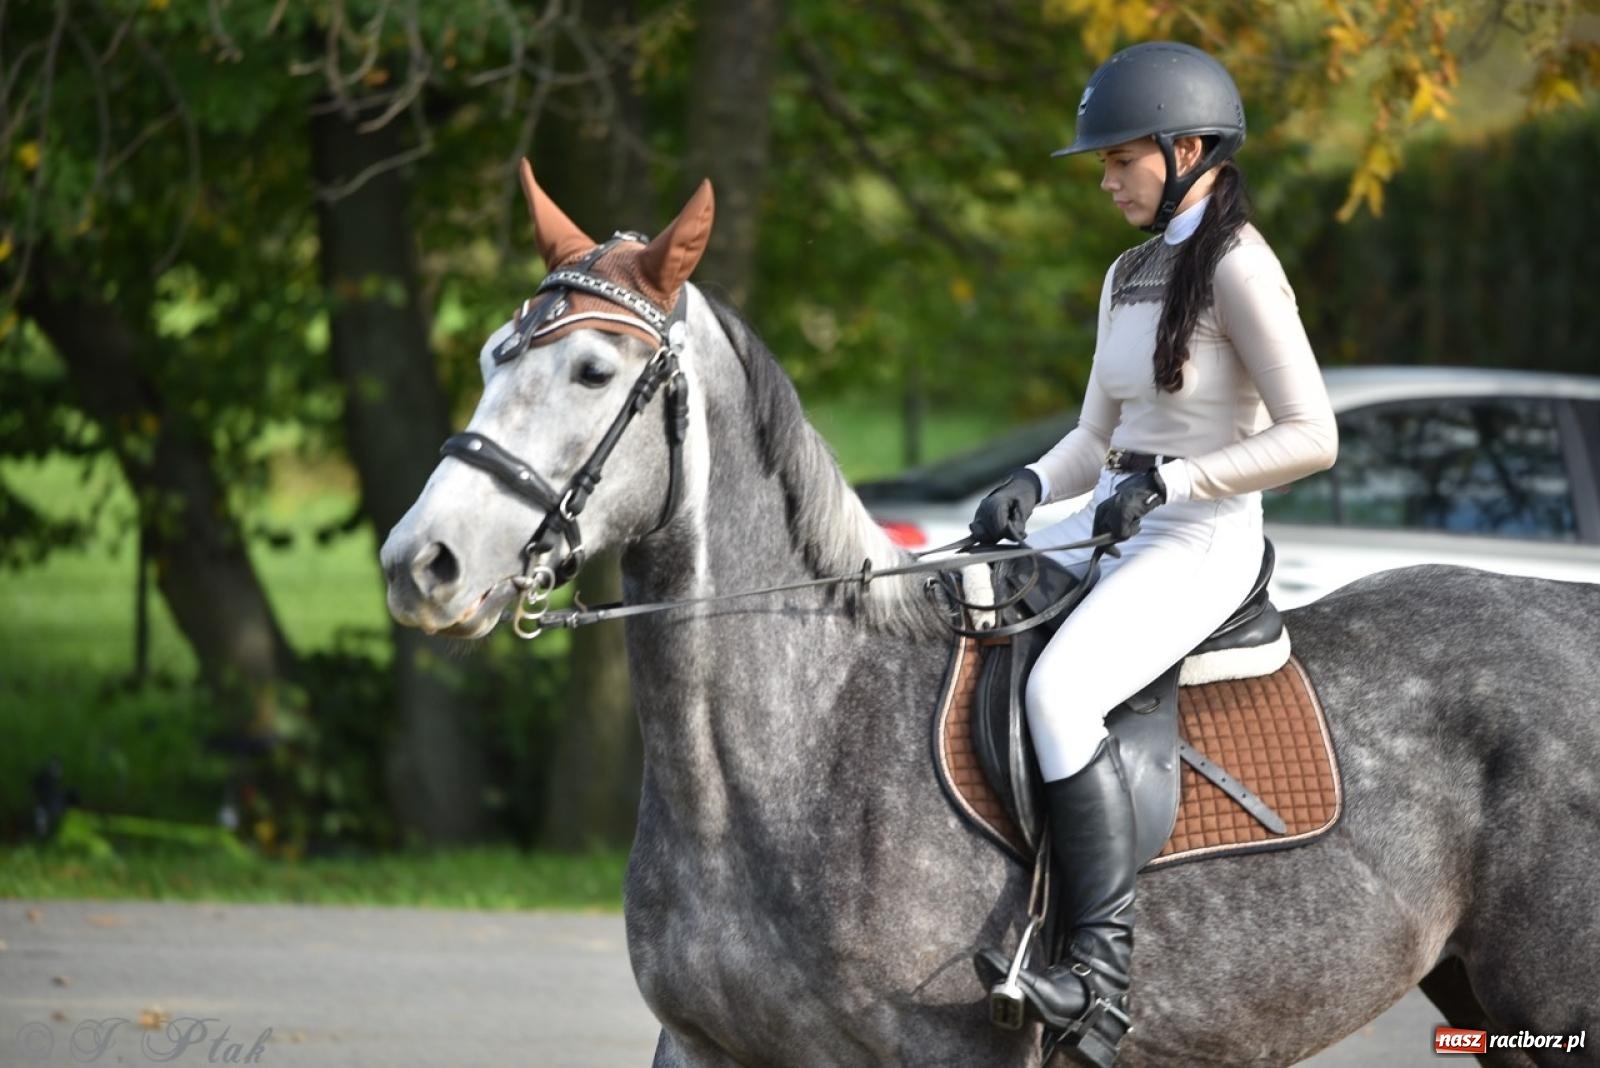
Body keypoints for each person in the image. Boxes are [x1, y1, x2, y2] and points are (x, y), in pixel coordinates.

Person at [968, 41, 1339, 1066]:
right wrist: (1030, 487)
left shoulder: (1240, 266)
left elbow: (1314, 435)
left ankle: (1096, 974)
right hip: (1116, 514)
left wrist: (1173, 483)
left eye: (1117, 159)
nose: (1103, 178)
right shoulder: (1129, 272)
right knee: (955, 595)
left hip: (1199, 536)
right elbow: (1098, 436)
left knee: (1059, 696)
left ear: (1184, 149)